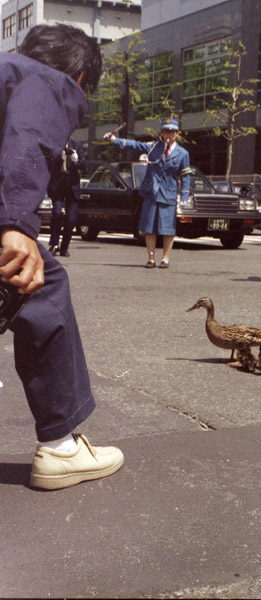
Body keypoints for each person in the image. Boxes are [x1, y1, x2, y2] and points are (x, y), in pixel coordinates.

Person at [0, 24, 124, 490]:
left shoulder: (10, 71)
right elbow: (28, 137)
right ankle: (60, 448)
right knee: (39, 283)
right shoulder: (48, 81)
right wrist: (15, 224)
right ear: (81, 74)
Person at [104, 117, 191, 268]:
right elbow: (135, 145)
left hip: (168, 194)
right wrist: (115, 140)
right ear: (161, 133)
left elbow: (185, 175)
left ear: (177, 133)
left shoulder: (183, 153)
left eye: (171, 131)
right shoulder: (154, 147)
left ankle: (165, 258)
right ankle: (151, 258)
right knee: (149, 227)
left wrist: (184, 196)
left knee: (168, 229)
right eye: (165, 131)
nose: (168, 135)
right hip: (151, 192)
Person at [48, 137, 86, 257]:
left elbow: (83, 165)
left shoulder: (76, 145)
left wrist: (75, 160)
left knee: (71, 219)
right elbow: (48, 164)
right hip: (58, 187)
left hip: (72, 187)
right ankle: (54, 244)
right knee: (57, 213)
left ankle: (64, 247)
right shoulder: (54, 143)